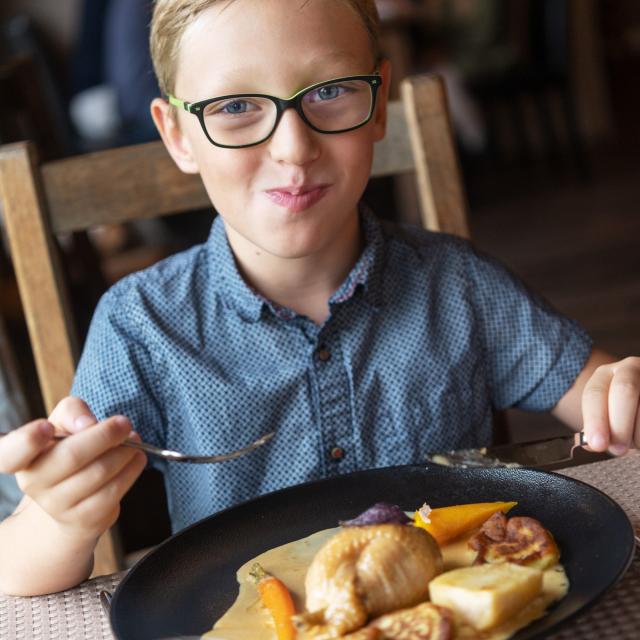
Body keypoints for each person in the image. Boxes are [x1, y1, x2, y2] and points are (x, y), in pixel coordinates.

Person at [0, 0, 638, 597]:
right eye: (235, 107)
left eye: (330, 93)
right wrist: (60, 519)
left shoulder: (460, 286)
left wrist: (621, 393)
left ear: (380, 102)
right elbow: (17, 568)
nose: (293, 148)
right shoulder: (142, 325)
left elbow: (602, 396)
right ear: (177, 136)